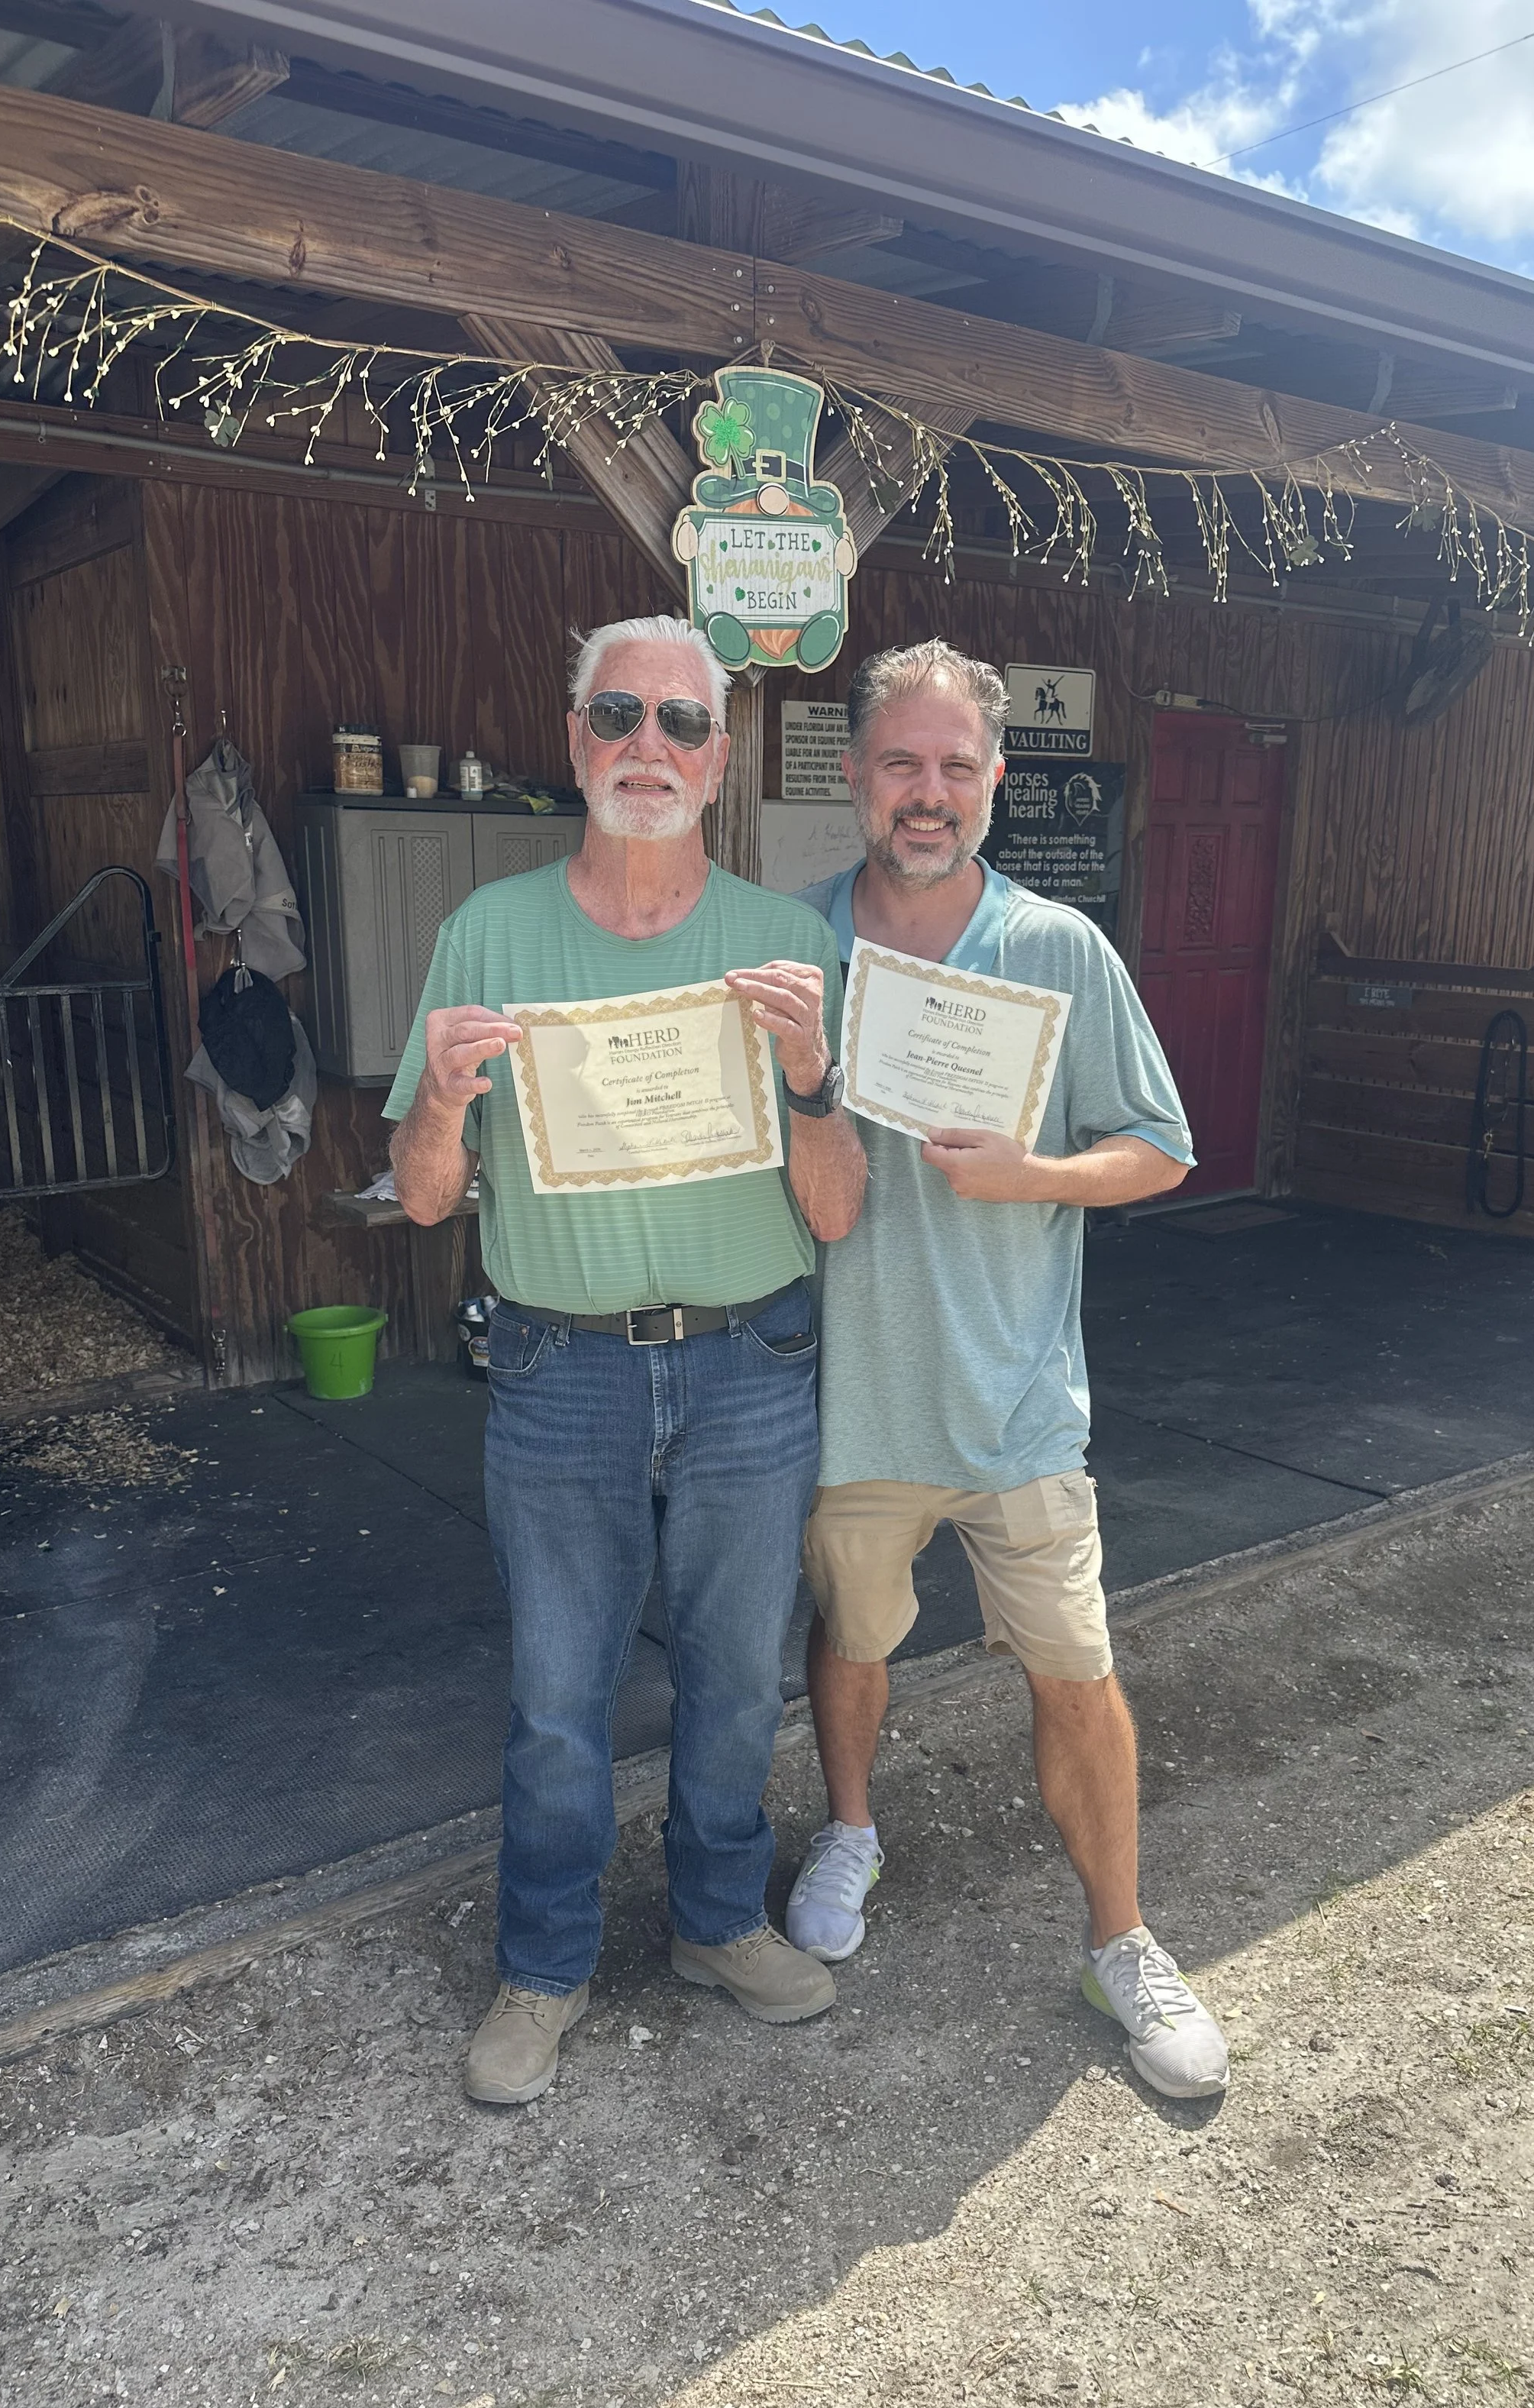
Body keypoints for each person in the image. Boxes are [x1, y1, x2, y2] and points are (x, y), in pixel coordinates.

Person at [386, 614, 867, 2106]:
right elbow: (421, 1197)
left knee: (735, 1682)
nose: (645, 744)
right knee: (557, 1695)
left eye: (679, 721)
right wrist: (444, 1105)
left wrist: (809, 1080)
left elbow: (837, 1209)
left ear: (718, 760)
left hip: (749, 1367)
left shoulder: (789, 950)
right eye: (617, 715)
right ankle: (545, 1963)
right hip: (560, 1374)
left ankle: (718, 1922)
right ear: (575, 740)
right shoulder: (488, 933)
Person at [783, 639, 1230, 2100]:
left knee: (1077, 1673)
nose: (929, 792)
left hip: (1020, 1400)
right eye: (902, 763)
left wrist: (1036, 1173)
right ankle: (851, 1830)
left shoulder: (1058, 949)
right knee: (853, 1638)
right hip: (854, 1396)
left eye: (956, 767)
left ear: (992, 781)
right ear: (857, 776)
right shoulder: (794, 948)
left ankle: (1122, 1941)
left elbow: (1160, 1147)